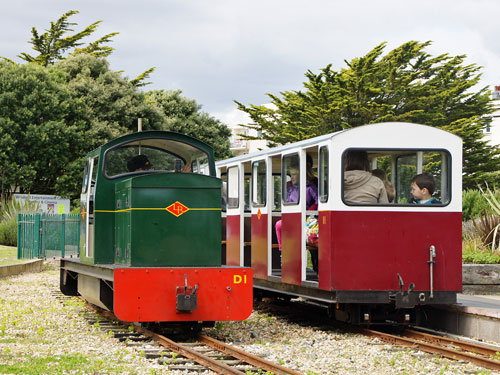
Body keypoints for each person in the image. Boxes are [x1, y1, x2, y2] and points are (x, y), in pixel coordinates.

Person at [275, 159, 319, 270]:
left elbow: (318, 201)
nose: (292, 177)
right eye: (291, 175)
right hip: (293, 218)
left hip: (307, 218)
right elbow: (287, 202)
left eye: (294, 175)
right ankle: (282, 250)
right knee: (279, 224)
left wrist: (311, 210)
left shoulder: (310, 188)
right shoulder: (290, 189)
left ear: (302, 175)